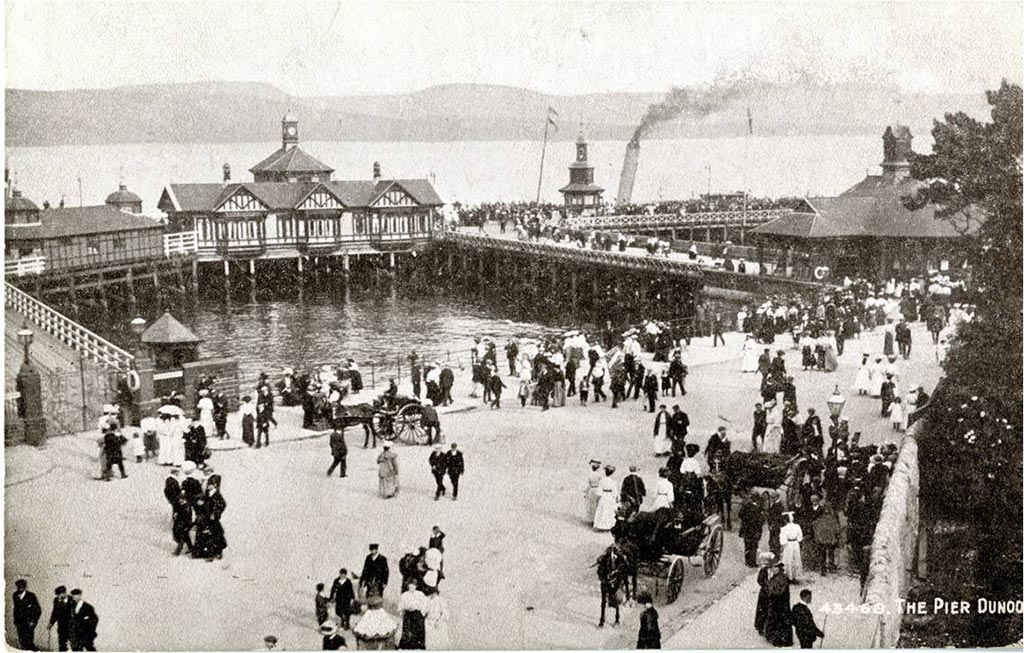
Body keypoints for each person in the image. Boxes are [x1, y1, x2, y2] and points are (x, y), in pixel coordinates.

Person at [763, 563, 793, 647]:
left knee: (778, 620)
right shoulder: (780, 577)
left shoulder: (780, 579)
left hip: (779, 604)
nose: (772, 569)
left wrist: (769, 588)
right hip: (780, 604)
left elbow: (777, 592)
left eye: (774, 567)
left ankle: (778, 639)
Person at [12, 579, 42, 651]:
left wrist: (33, 621)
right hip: (19, 622)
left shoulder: (31, 596)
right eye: (18, 587)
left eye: (21, 587)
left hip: (28, 623)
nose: (20, 588)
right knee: (21, 640)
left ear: (25, 587)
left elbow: (38, 610)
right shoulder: (15, 595)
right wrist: (15, 620)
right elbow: (16, 609)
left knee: (29, 641)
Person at [397, 582, 428, 649]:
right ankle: (407, 646)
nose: (412, 587)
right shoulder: (404, 595)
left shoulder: (420, 594)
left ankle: (418, 645)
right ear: (408, 586)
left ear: (416, 586)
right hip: (408, 614)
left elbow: (425, 604)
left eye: (413, 586)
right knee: (407, 630)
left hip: (417, 614)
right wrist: (402, 612)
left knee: (418, 629)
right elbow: (400, 605)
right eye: (410, 586)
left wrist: (422, 613)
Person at [738, 492, 764, 567]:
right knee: (754, 546)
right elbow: (760, 521)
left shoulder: (746, 506)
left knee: (747, 546)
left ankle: (747, 561)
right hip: (755, 530)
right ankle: (752, 563)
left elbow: (740, 514)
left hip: (746, 529)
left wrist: (745, 521)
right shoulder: (758, 508)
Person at [47, 586, 74, 652]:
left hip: (71, 626)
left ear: (65, 593)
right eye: (57, 594)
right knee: (62, 645)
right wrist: (51, 623)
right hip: (61, 626)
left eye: (60, 594)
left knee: (74, 645)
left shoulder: (72, 600)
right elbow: (55, 613)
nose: (58, 596)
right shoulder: (56, 600)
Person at [779, 512, 803, 582]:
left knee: (788, 560)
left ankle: (789, 576)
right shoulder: (797, 526)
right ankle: (794, 576)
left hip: (788, 545)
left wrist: (783, 544)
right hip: (795, 544)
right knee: (795, 559)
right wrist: (797, 540)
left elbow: (782, 539)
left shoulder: (784, 528)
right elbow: (800, 536)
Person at [593, 465, 618, 531]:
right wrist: (615, 498)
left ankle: (601, 525)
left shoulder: (602, 481)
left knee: (602, 510)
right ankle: (608, 525)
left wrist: (598, 497)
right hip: (609, 496)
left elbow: (599, 491)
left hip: (604, 496)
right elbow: (614, 491)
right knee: (609, 510)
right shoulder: (613, 481)